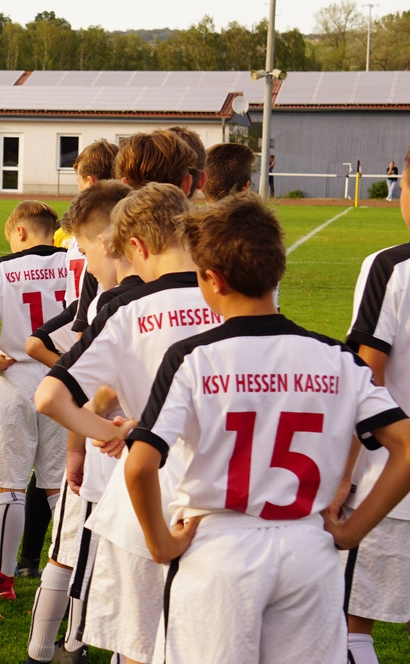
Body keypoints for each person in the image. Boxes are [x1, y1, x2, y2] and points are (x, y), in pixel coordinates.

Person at [124, 191, 410, 663]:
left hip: (220, 550)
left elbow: (139, 466)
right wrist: (352, 531)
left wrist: (160, 544)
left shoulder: (193, 356)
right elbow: (406, 447)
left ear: (213, 279)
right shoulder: (337, 358)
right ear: (277, 271)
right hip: (308, 550)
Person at [35, 182, 222, 664]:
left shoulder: (126, 307)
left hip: (146, 496)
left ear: (135, 246)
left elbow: (50, 397)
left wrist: (117, 432)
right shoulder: (230, 293)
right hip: (226, 500)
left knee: (137, 646)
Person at [23, 181, 136, 664]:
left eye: (84, 251)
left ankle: (58, 649)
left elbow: (66, 393)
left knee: (77, 553)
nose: (83, 264)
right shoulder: (198, 290)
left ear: (108, 242)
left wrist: (91, 437)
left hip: (120, 455)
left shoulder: (119, 303)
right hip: (174, 464)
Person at [0, 201, 68, 601]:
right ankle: (74, 578)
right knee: (58, 486)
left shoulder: (6, 267)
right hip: (62, 379)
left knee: (12, 485)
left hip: (16, 379)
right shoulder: (74, 263)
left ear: (19, 232)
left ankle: (3, 582)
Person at [342, 150, 410, 664]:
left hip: (392, 480)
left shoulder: (391, 267)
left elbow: (367, 374)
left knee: (349, 622)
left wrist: (343, 473)